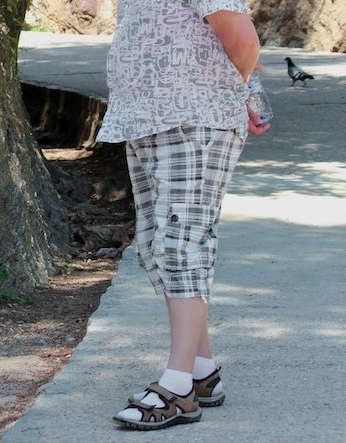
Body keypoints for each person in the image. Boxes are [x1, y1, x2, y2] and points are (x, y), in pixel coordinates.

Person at [95, 0, 271, 431]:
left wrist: (240, 88)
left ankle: (178, 389)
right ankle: (201, 371)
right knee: (160, 246)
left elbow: (243, 38)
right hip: (146, 119)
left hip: (195, 117)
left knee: (181, 243)